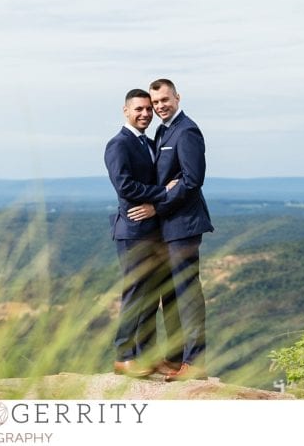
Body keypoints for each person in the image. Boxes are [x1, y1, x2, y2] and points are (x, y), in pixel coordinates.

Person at [129, 78, 213, 381]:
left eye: (165, 100)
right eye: (156, 103)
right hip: (167, 228)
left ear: (177, 97)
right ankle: (177, 358)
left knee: (187, 294)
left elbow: (192, 180)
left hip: (183, 225)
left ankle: (195, 362)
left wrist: (158, 205)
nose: (160, 106)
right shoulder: (164, 131)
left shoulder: (187, 130)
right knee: (172, 296)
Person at [103, 89, 179, 378]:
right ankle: (124, 356)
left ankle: (145, 355)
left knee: (150, 294)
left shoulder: (148, 141)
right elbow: (125, 187)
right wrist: (163, 193)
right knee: (136, 293)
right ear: (125, 111)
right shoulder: (119, 144)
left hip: (152, 229)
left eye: (149, 108)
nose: (146, 113)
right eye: (139, 109)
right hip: (133, 230)